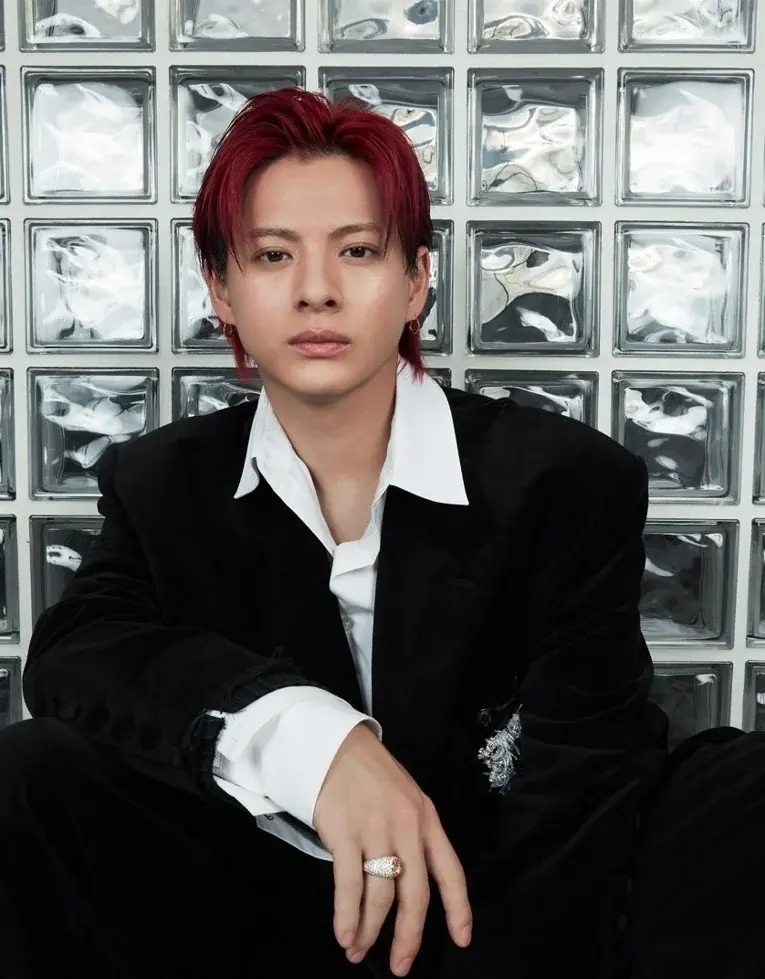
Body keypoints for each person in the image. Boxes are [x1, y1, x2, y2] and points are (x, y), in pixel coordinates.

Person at [0, 87, 763, 979]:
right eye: (272, 255)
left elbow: (581, 779)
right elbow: (76, 653)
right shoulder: (164, 482)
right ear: (221, 289)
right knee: (31, 771)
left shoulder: (564, 480)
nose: (316, 290)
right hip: (262, 906)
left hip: (504, 899)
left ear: (415, 281)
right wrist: (317, 743)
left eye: (357, 250)